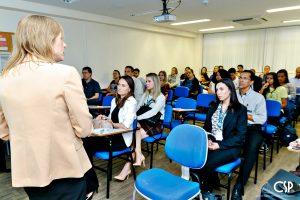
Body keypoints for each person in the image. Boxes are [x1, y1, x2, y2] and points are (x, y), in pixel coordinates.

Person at [0, 15, 93, 200]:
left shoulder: (5, 78)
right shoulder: (65, 73)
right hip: (66, 169)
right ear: (47, 41)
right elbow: (84, 129)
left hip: (29, 171)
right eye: (61, 39)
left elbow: (3, 132)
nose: (65, 45)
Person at [190, 78, 247, 199]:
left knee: (207, 163)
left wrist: (219, 145)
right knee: (193, 159)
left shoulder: (240, 110)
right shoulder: (213, 106)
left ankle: (206, 192)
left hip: (230, 146)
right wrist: (208, 138)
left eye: (222, 89)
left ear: (230, 90)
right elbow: (206, 127)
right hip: (213, 142)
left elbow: (240, 137)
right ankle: (198, 190)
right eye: (217, 90)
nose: (218, 92)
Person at [83, 76, 137, 181]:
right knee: (85, 140)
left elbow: (125, 125)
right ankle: (87, 174)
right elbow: (112, 119)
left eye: (123, 85)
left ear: (129, 89)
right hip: (111, 134)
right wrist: (104, 118)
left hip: (121, 139)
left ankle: (88, 178)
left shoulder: (132, 102)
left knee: (87, 144)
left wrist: (111, 123)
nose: (119, 87)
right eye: (118, 85)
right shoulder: (114, 101)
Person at [117, 73, 165, 178]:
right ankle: (138, 155)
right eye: (146, 81)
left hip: (155, 123)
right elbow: (138, 107)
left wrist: (137, 118)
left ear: (155, 83)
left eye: (149, 81)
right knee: (135, 129)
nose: (146, 83)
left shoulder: (161, 97)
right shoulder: (145, 94)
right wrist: (133, 115)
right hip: (143, 121)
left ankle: (128, 167)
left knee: (133, 137)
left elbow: (153, 112)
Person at [231, 70, 267, 200]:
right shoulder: (233, 94)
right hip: (234, 127)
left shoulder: (258, 97)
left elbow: (262, 119)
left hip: (252, 129)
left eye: (245, 78)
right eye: (240, 78)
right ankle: (210, 179)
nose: (241, 80)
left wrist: (245, 115)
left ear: (251, 82)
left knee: (251, 149)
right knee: (216, 140)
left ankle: (239, 185)